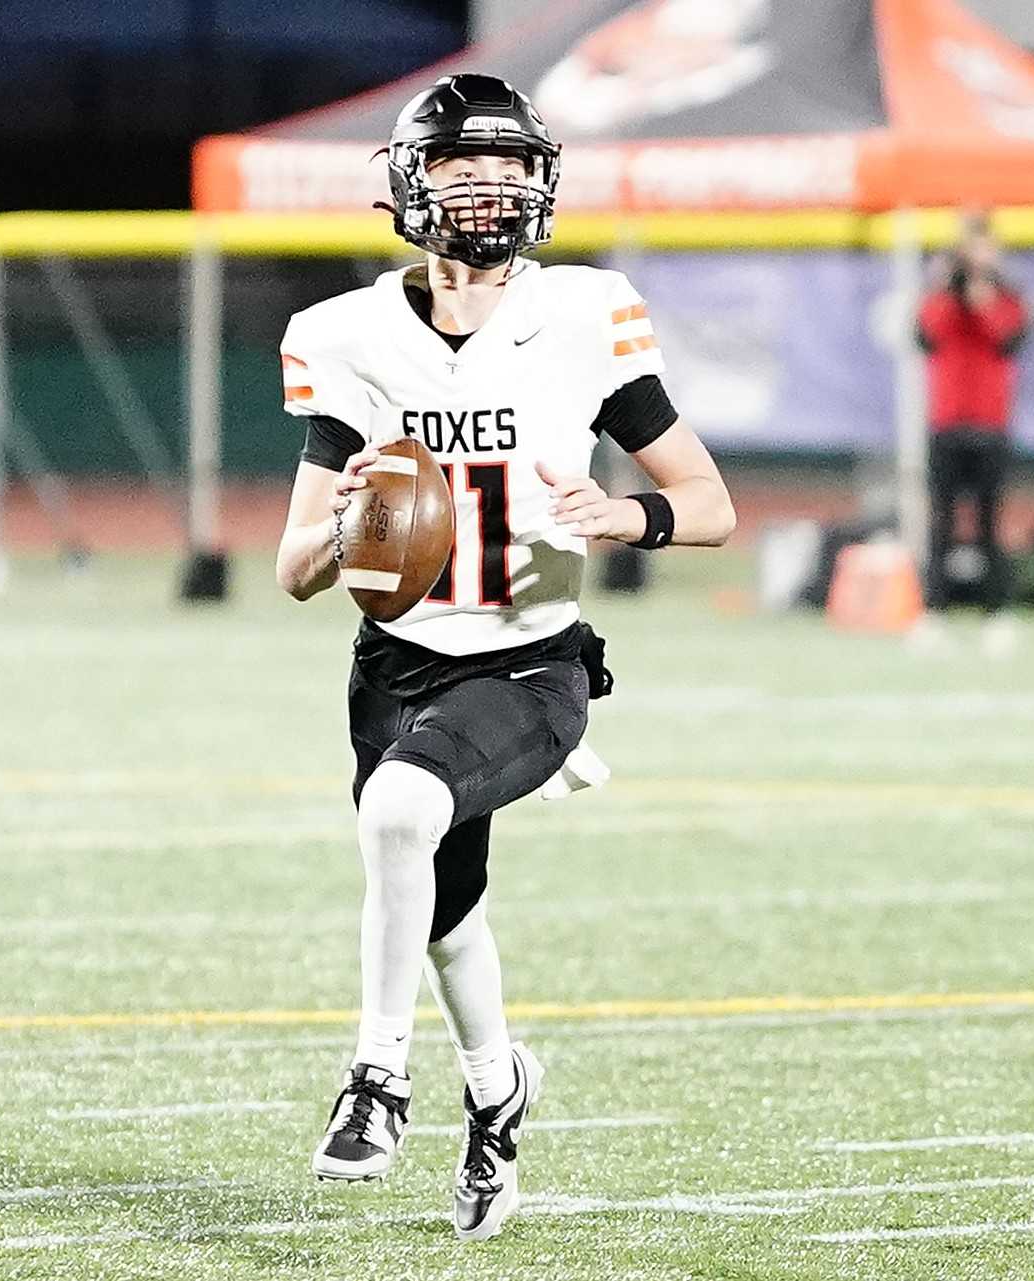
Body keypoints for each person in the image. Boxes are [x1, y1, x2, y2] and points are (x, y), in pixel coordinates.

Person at [274, 73, 734, 1241]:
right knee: (442, 909)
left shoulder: (584, 314)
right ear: (408, 183)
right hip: (398, 666)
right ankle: (497, 1094)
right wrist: (359, 529)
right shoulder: (349, 336)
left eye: (513, 164)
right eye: (464, 164)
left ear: (544, 179)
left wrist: (623, 516)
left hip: (532, 666)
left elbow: (710, 503)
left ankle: (378, 1079)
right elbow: (291, 565)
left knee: (394, 819)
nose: (493, 185)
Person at [915, 213, 1029, 653]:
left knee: (988, 524)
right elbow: (926, 334)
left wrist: (984, 300)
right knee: (941, 523)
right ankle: (934, 612)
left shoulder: (1009, 297)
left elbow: (1009, 339)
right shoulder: (942, 296)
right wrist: (947, 286)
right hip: (946, 423)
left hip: (990, 426)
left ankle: (996, 613)